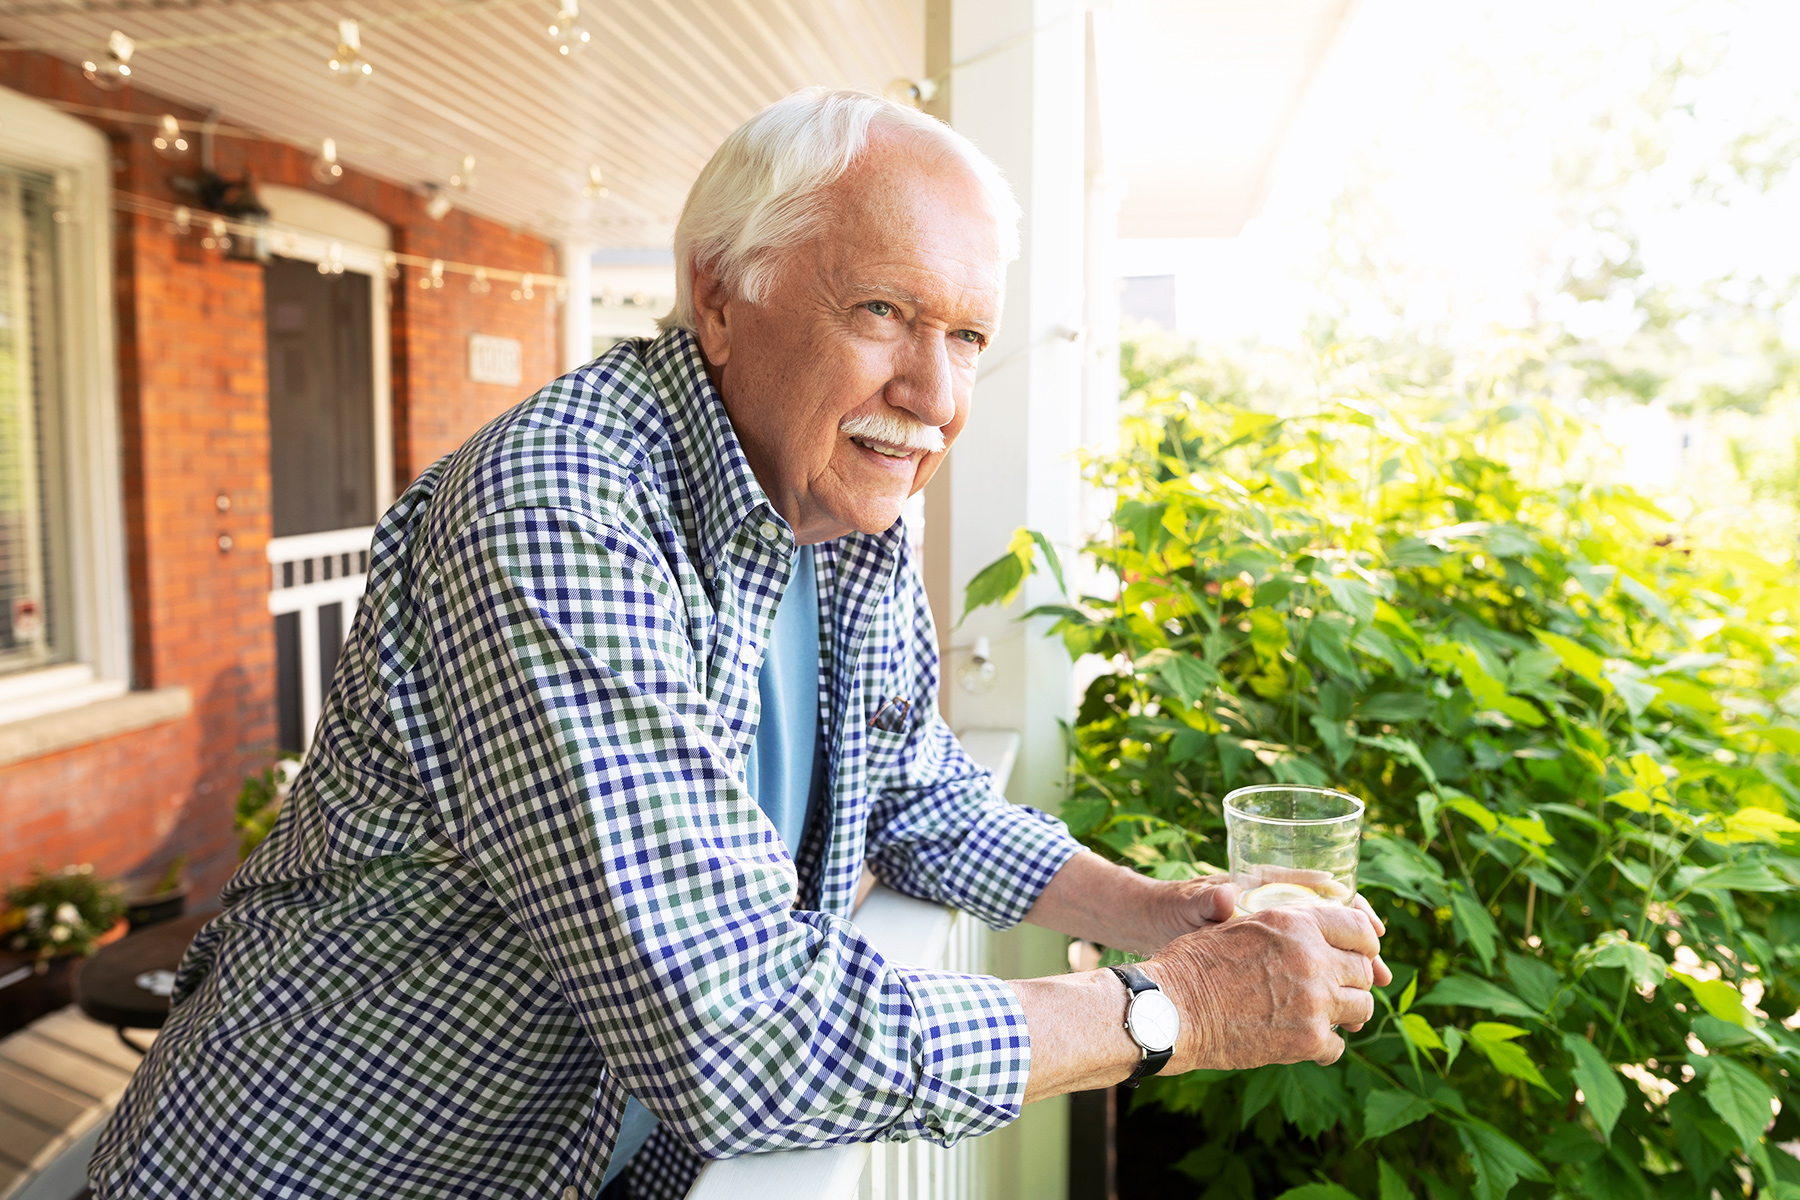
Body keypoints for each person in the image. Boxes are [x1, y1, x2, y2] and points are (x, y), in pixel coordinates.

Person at [88, 89, 1388, 1200]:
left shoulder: (839, 504)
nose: (936, 398)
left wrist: (1164, 909)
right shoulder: (560, 520)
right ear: (720, 296)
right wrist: (1170, 1010)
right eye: (884, 310)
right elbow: (738, 1037)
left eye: (969, 336)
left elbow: (916, 800)